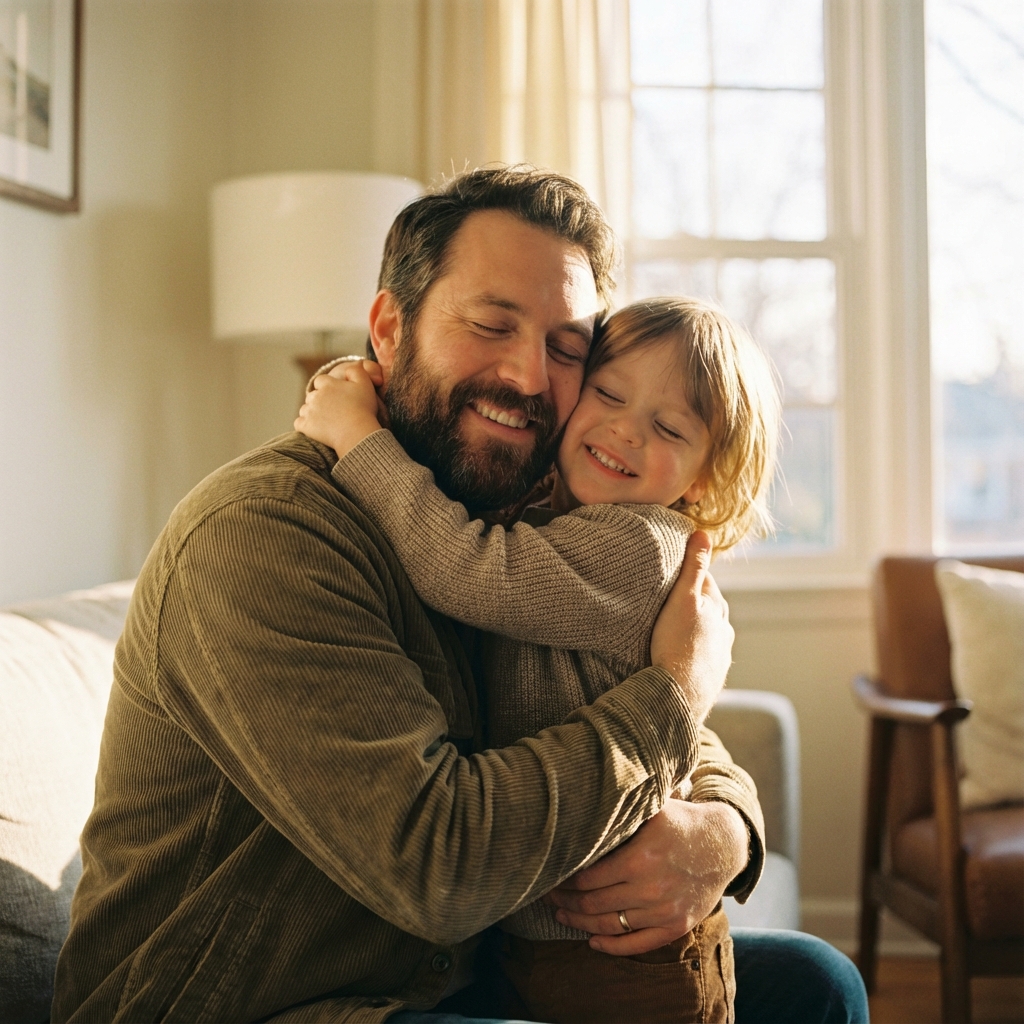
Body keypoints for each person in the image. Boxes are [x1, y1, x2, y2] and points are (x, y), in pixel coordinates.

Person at [52, 167, 868, 1024]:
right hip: (274, 1004)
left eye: (566, 349)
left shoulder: (511, 515)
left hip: (448, 978)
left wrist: (722, 831)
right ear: (389, 329)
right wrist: (678, 691)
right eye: (490, 324)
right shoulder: (266, 536)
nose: (526, 374)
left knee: (817, 988)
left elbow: (620, 691)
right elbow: (438, 865)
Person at [294, 295, 781, 1023]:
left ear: (703, 479)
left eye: (669, 427)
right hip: (536, 938)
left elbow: (465, 567)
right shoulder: (560, 513)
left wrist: (358, 436)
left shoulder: (637, 547)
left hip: (619, 955)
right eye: (609, 394)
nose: (623, 428)